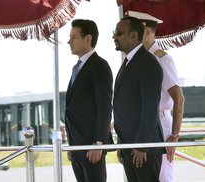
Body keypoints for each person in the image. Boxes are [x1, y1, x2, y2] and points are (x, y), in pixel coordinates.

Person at [127, 11, 185, 182]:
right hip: (140, 124)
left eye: (135, 30)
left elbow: (179, 98)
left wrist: (174, 135)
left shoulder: (161, 58)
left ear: (146, 32)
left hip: (160, 124)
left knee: (161, 175)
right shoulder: (134, 60)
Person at [112, 16, 165, 182]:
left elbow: (150, 108)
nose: (114, 37)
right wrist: (122, 143)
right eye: (114, 33)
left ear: (134, 36)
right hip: (130, 145)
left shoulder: (147, 62)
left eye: (119, 33)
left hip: (143, 148)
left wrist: (141, 145)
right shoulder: (129, 62)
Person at [65, 19, 114, 182]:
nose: (69, 41)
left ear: (88, 39)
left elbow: (105, 106)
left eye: (73, 37)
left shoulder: (99, 66)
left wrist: (98, 142)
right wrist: (71, 145)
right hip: (77, 145)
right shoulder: (76, 68)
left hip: (91, 145)